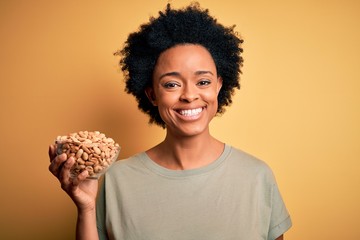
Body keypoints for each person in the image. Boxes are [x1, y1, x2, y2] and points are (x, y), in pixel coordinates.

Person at [49, 3, 292, 240]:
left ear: (219, 85)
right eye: (171, 84)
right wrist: (86, 209)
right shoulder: (116, 180)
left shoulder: (257, 176)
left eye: (203, 82)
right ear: (152, 94)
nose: (189, 95)